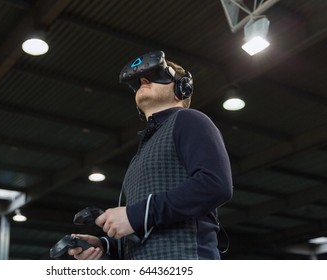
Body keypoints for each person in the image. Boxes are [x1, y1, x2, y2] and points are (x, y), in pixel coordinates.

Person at [68, 50, 233, 260]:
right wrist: (106, 247)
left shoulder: (189, 120)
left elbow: (215, 184)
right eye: (139, 81)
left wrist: (135, 214)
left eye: (156, 76)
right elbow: (143, 228)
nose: (143, 80)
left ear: (182, 89)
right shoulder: (139, 156)